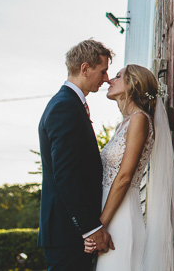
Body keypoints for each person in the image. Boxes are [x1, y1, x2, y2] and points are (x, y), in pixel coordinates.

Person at [84, 64, 174, 271]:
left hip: (121, 218)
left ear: (134, 83)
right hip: (112, 213)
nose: (109, 80)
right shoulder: (124, 124)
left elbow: (125, 176)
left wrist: (100, 225)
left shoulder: (139, 120)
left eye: (118, 76)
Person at [38, 39, 115, 270]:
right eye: (102, 71)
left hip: (70, 231)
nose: (106, 79)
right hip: (67, 231)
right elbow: (66, 174)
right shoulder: (65, 107)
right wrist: (90, 228)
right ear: (84, 68)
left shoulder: (70, 104)